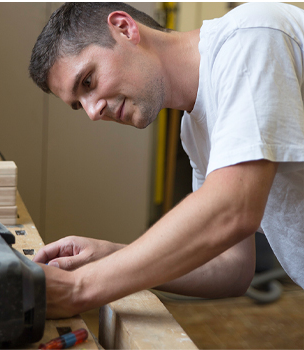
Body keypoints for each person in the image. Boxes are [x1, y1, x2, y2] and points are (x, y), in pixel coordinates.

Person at [28, 2, 304, 319]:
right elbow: (232, 269)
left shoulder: (251, 36)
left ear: (124, 28)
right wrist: (110, 256)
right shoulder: (195, 129)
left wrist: (80, 288)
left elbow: (234, 208)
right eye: (79, 105)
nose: (93, 112)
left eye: (88, 82)